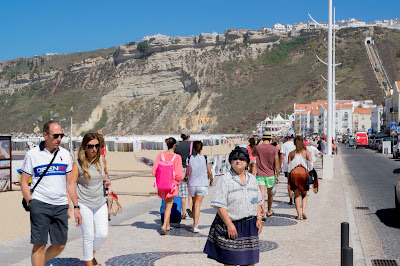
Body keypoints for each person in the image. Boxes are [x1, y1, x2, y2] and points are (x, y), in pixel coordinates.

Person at [20, 121, 82, 266]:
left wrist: (76, 206)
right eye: (55, 136)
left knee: (60, 244)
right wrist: (31, 202)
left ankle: (41, 261)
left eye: (61, 135)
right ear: (45, 135)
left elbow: (70, 183)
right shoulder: (32, 155)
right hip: (39, 204)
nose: (59, 139)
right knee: (39, 245)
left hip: (60, 205)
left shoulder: (65, 154)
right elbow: (24, 182)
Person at [204, 147, 263, 266]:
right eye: (235, 159)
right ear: (231, 162)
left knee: (250, 262)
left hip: (250, 225)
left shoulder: (252, 179)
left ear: (246, 162)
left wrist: (259, 217)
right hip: (231, 225)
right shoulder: (225, 180)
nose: (238, 161)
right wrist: (229, 224)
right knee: (230, 262)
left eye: (241, 158)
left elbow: (257, 200)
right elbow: (220, 205)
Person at [72, 133, 110, 266]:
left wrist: (106, 180)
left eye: (96, 146)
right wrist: (75, 207)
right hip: (84, 203)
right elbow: (71, 184)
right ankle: (89, 262)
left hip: (100, 202)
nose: (94, 149)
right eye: (91, 146)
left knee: (103, 234)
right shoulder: (78, 164)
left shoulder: (102, 160)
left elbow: (105, 174)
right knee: (88, 236)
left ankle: (90, 254)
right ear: (85, 147)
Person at [152, 137, 184, 235]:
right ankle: (164, 225)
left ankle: (168, 224)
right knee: (169, 206)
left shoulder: (161, 155)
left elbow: (154, 171)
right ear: (174, 145)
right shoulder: (177, 157)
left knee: (166, 204)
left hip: (162, 185)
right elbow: (179, 174)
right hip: (172, 185)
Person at [186, 141, 213, 233]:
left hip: (192, 184)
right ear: (201, 148)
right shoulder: (205, 158)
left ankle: (194, 223)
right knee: (198, 205)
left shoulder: (189, 158)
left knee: (194, 204)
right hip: (202, 184)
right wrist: (212, 179)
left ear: (193, 148)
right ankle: (196, 226)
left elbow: (187, 173)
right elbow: (209, 171)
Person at [252, 131, 280, 219]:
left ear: (262, 138)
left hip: (260, 174)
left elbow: (253, 154)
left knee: (261, 195)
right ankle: (269, 210)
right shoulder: (274, 149)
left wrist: (257, 143)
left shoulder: (258, 148)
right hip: (271, 174)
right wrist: (278, 175)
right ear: (270, 139)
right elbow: (276, 163)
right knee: (270, 194)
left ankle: (263, 213)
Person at [287, 136, 313, 220]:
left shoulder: (291, 153)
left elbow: (289, 167)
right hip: (303, 173)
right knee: (304, 194)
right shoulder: (306, 153)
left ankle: (298, 215)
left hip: (294, 173)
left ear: (294, 143)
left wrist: (288, 179)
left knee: (297, 195)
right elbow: (311, 165)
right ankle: (303, 212)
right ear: (302, 143)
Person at [174, 129, 192, 219]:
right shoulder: (192, 145)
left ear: (181, 136)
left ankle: (183, 213)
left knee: (182, 192)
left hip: (180, 169)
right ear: (189, 136)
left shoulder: (177, 146)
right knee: (191, 190)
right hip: (191, 168)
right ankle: (189, 206)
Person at [280, 133, 296, 205]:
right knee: (296, 183)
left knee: (289, 183)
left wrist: (280, 166)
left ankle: (290, 199)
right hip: (296, 165)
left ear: (288, 137)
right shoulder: (296, 144)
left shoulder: (284, 145)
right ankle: (296, 197)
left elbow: (282, 155)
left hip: (287, 166)